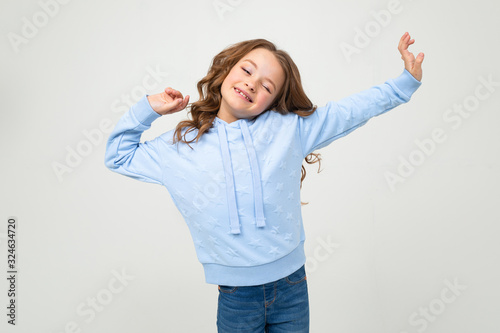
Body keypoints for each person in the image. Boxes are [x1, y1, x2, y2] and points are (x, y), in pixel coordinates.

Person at [105, 32, 424, 332]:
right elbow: (118, 156)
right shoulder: (182, 145)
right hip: (236, 295)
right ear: (226, 69)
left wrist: (403, 84)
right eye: (246, 69)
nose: (252, 84)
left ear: (273, 101)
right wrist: (147, 108)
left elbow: (348, 112)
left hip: (292, 286)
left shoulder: (288, 129)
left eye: (267, 86)